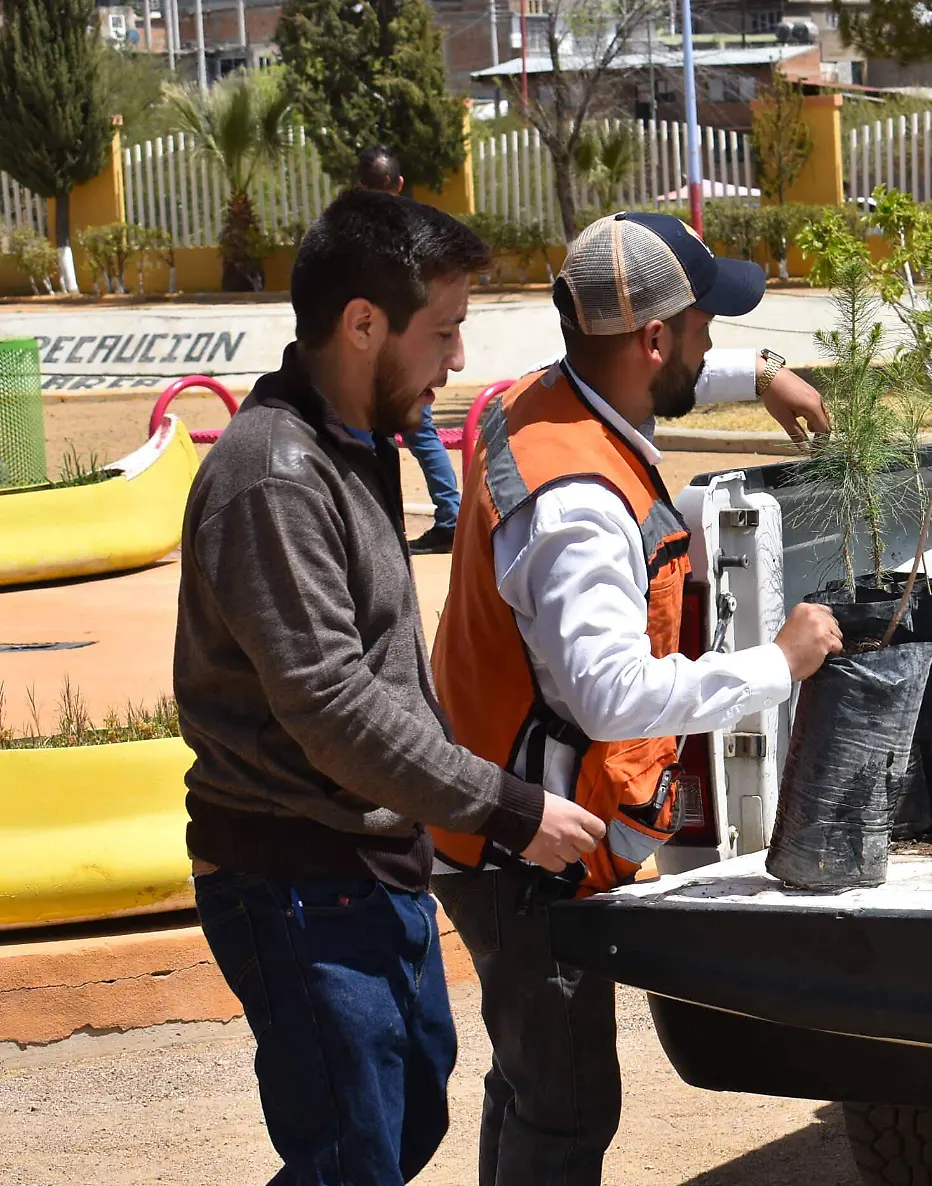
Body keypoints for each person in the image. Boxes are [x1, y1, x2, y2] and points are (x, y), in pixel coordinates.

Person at [174, 189, 608, 1186]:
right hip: (293, 878)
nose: (458, 360)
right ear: (363, 324)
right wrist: (505, 808)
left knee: (404, 1118)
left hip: (372, 864)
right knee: (349, 1156)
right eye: (445, 331)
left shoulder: (352, 443)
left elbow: (382, 669)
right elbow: (331, 705)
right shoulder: (275, 477)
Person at [428, 212, 844, 1186]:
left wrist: (761, 375)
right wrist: (775, 664)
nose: (710, 341)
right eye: (703, 325)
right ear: (654, 339)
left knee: (533, 1088)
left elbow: (665, 374)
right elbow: (611, 695)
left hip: (485, 816)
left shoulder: (535, 405)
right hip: (530, 851)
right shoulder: (577, 505)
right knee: (568, 1105)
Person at [355, 144, 465, 555]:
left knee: (368, 434)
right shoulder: (421, 229)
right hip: (416, 346)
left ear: (359, 186)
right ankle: (449, 517)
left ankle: (384, 525)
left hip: (376, 348)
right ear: (400, 184)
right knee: (419, 432)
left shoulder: (357, 234)